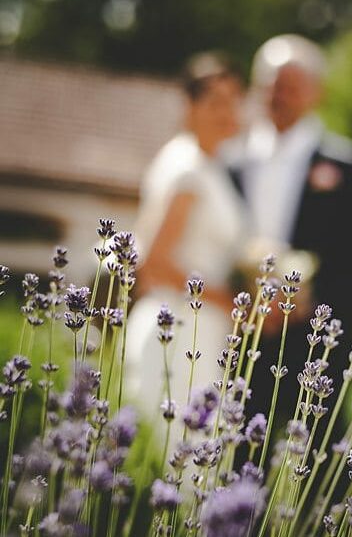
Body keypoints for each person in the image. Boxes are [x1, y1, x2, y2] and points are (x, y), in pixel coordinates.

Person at [221, 34, 352, 426]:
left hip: (313, 348)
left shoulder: (344, 166)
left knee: (307, 464)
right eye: (271, 85)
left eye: (291, 86)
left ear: (316, 92)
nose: (279, 95)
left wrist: (309, 303)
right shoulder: (228, 161)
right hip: (236, 341)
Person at [126, 52, 247, 439]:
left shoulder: (210, 165)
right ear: (189, 105)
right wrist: (229, 301)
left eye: (232, 101)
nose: (225, 112)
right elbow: (155, 262)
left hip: (202, 329)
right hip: (178, 330)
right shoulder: (187, 168)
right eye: (214, 101)